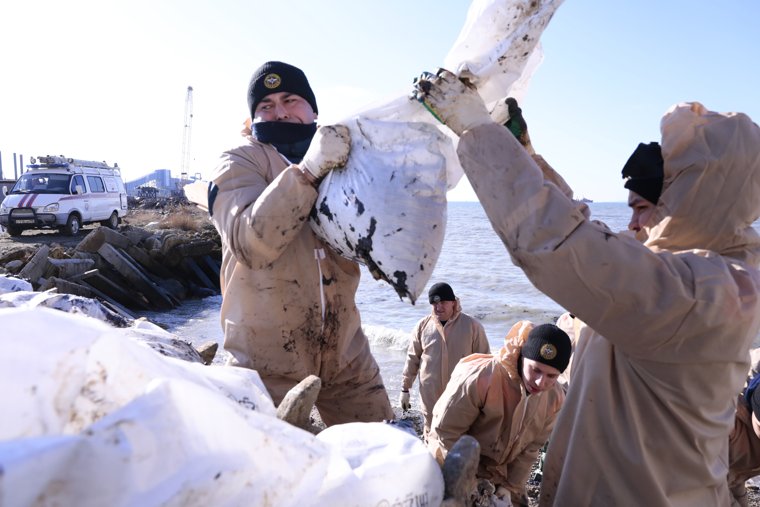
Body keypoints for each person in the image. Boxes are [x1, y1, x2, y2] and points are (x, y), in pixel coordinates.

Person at [412, 69, 760, 505]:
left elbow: (559, 244)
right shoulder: (706, 271)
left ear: (699, 194)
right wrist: (524, 154)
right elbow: (594, 238)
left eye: (659, 197)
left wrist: (478, 132)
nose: (635, 223)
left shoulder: (698, 294)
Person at [207, 61, 393, 426]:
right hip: (264, 361)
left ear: (313, 109)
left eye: (290, 99)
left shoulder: (343, 159)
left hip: (347, 354)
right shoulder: (237, 161)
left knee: (383, 454)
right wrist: (306, 173)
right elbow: (250, 243)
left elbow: (380, 244)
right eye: (266, 105)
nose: (279, 111)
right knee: (271, 471)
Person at [427, 320, 571, 507]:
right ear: (522, 357)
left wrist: (510, 488)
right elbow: (446, 435)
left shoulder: (555, 398)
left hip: (497, 472)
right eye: (535, 370)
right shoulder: (481, 377)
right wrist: (474, 489)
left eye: (551, 376)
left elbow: (530, 450)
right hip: (452, 462)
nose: (540, 382)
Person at [399, 282, 490, 436]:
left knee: (458, 441)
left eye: (443, 302)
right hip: (430, 398)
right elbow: (412, 359)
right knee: (431, 438)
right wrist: (405, 388)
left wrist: (487, 399)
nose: (438, 307)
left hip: (461, 399)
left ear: (453, 302)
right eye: (434, 303)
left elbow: (486, 365)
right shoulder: (422, 327)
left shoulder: (472, 327)